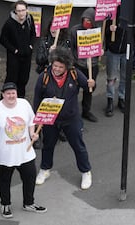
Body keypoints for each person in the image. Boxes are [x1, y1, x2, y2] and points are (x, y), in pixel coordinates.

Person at [33, 47, 94, 190]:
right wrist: (37, 118)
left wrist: (92, 84)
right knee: (48, 145)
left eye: (60, 67)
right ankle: (45, 169)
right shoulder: (44, 77)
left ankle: (86, 171)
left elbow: (88, 87)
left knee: (78, 146)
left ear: (67, 66)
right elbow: (37, 99)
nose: (57, 69)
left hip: (71, 118)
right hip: (50, 119)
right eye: (55, 66)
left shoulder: (74, 74)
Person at [0, 82, 46, 218]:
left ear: (16, 93)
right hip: (5, 155)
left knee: (30, 178)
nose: (11, 96)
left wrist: (32, 134)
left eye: (13, 93)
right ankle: (5, 204)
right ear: (2, 95)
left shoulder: (24, 104)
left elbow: (31, 122)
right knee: (4, 180)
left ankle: (29, 203)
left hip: (25, 153)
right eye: (8, 93)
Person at [35, 19, 70, 142]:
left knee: (58, 103)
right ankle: (39, 131)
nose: (54, 29)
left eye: (57, 27)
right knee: (43, 104)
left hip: (59, 78)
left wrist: (56, 54)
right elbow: (39, 60)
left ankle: (58, 129)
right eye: (52, 26)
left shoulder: (65, 42)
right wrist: (48, 53)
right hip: (46, 77)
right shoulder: (44, 41)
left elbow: (68, 60)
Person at [70, 7, 101, 122]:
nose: (87, 22)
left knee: (90, 89)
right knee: (74, 90)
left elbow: (100, 46)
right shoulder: (74, 30)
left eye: (89, 20)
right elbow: (71, 48)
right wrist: (74, 61)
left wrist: (100, 51)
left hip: (92, 65)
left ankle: (86, 111)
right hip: (78, 65)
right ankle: (73, 112)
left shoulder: (97, 31)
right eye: (85, 19)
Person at [0, 0, 36, 98]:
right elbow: (3, 40)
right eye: (19, 11)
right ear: (15, 11)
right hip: (14, 57)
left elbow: (33, 33)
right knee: (11, 80)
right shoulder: (9, 23)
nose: (21, 13)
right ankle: (5, 99)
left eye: (23, 10)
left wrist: (31, 46)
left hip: (27, 56)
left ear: (27, 10)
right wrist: (14, 50)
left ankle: (20, 99)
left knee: (23, 80)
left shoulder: (29, 19)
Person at [104, 6, 126, 116]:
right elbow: (104, 31)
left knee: (124, 77)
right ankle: (110, 100)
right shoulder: (112, 12)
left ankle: (122, 98)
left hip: (126, 51)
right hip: (113, 51)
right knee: (111, 78)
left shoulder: (131, 15)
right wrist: (109, 29)